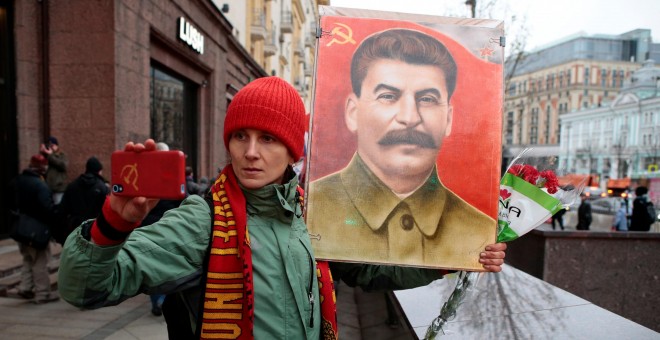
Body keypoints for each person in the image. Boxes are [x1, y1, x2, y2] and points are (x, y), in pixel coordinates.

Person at [58, 77, 507, 339]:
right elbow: (86, 289)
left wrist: (457, 255)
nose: (251, 152)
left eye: (268, 139)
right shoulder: (204, 220)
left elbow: (373, 269)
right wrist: (114, 224)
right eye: (240, 136)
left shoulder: (313, 213)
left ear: (293, 151)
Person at [307, 28, 495, 269]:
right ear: (353, 113)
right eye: (387, 96)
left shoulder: (481, 233)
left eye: (427, 99)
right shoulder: (309, 213)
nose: (409, 117)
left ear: (448, 119)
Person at [7, 154, 60, 303]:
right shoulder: (39, 185)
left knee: (27, 258)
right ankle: (43, 293)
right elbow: (47, 209)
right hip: (36, 230)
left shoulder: (16, 181)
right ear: (42, 167)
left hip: (20, 228)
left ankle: (25, 287)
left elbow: (9, 202)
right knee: (40, 261)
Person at [56, 156, 109, 245]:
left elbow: (62, 211)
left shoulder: (72, 185)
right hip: (95, 231)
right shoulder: (102, 187)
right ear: (99, 171)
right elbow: (107, 212)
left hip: (75, 229)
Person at [40, 136, 69, 204]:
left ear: (57, 146)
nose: (51, 147)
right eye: (49, 146)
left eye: (52, 145)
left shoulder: (62, 155)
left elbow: (63, 166)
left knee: (58, 208)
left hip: (58, 189)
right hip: (46, 189)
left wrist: (50, 155)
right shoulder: (44, 157)